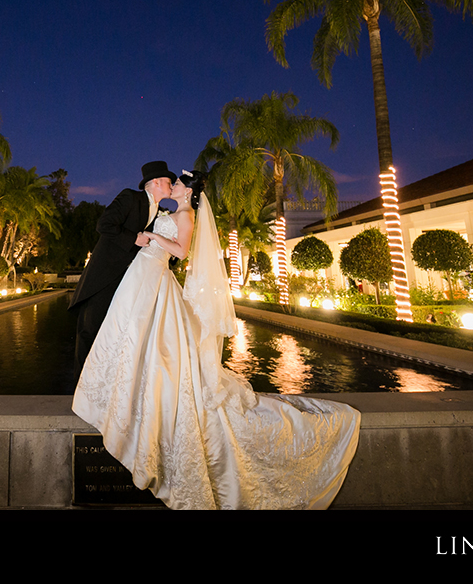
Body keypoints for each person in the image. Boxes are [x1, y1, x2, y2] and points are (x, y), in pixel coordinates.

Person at [72, 170, 360, 509]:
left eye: (177, 183)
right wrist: (146, 237)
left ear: (188, 192)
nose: (172, 184)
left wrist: (151, 239)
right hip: (140, 276)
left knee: (151, 341)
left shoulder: (186, 214)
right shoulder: (159, 210)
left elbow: (180, 250)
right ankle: (114, 392)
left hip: (153, 273)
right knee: (131, 337)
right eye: (169, 181)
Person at [69, 160, 175, 381]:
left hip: (132, 281)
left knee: (115, 333)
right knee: (90, 329)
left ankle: (107, 384)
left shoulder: (160, 213)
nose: (172, 186)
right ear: (155, 182)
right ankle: (82, 385)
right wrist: (133, 238)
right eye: (168, 182)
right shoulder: (130, 197)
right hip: (104, 276)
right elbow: (104, 225)